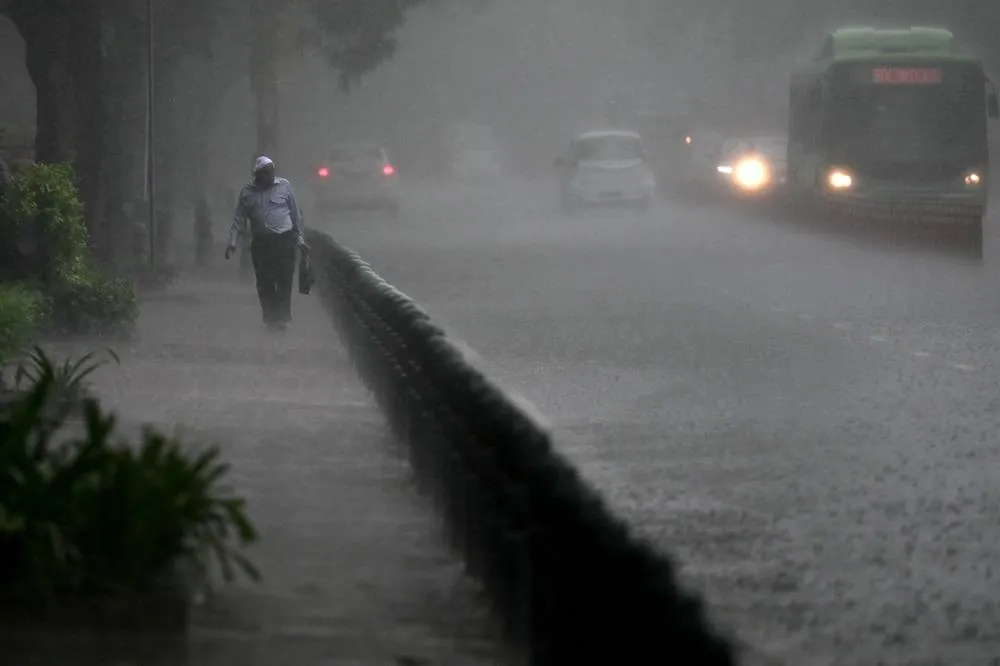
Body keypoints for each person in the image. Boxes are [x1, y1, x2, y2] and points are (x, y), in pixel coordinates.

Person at [226, 156, 308, 330]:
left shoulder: (284, 186)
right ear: (257, 174)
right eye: (265, 173)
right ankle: (271, 317)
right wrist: (233, 242)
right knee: (264, 280)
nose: (269, 176)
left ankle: (282, 317)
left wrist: (299, 239)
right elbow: (239, 219)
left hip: (284, 239)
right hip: (261, 242)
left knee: (284, 278)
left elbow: (295, 216)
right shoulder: (247, 192)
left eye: (271, 172)